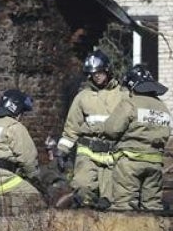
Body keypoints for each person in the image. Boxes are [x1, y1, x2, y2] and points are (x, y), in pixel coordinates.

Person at [56, 50, 133, 209]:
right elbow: (72, 126)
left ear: (107, 70)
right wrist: (62, 150)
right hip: (88, 151)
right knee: (82, 188)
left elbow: (131, 124)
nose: (96, 76)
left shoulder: (123, 95)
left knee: (111, 199)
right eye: (92, 73)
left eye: (99, 72)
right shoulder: (83, 97)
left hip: (113, 153)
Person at [103, 64, 171, 211]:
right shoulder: (162, 107)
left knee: (124, 206)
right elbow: (166, 133)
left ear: (132, 86)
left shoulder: (130, 103)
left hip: (130, 163)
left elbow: (111, 129)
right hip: (155, 164)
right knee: (153, 206)